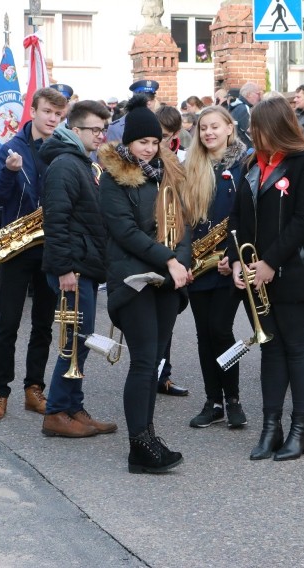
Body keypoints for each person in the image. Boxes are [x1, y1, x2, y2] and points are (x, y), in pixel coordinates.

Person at [228, 97, 304, 461]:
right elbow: (238, 218)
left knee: (298, 347)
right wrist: (237, 261)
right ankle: (270, 428)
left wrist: (271, 261)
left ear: (274, 127)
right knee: (271, 348)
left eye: (256, 128)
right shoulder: (250, 165)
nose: (250, 134)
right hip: (257, 273)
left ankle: (300, 429)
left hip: (296, 272)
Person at [98, 95, 194, 473]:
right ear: (129, 142)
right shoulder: (113, 177)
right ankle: (139, 446)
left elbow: (182, 224)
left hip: (167, 281)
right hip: (134, 279)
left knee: (154, 361)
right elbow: (124, 231)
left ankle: (149, 436)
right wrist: (168, 260)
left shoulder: (169, 174)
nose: (150, 149)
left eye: (155, 143)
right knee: (142, 362)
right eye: (143, 143)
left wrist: (181, 262)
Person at [0, 87, 69, 421]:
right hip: (19, 248)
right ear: (32, 111)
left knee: (44, 325)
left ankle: (34, 389)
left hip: (51, 249)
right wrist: (9, 171)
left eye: (57, 114)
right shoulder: (11, 149)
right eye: (47, 111)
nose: (51, 118)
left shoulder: (64, 151)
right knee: (8, 323)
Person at [39, 100, 118, 438]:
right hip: (72, 270)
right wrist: (65, 269)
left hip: (83, 265)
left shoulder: (81, 162)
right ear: (75, 130)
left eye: (104, 129)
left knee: (81, 340)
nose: (101, 136)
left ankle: (73, 406)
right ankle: (56, 411)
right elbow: (55, 222)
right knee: (73, 341)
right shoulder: (65, 165)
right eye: (94, 130)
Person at [181, 106, 248, 429]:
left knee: (221, 329)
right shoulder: (191, 165)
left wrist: (232, 256)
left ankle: (233, 398)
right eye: (203, 128)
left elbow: (250, 217)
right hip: (199, 262)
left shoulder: (245, 165)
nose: (208, 132)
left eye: (215, 127)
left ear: (229, 128)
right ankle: (213, 401)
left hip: (228, 262)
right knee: (204, 334)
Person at [106, 80, 160, 145]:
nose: (148, 102)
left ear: (154, 101)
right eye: (144, 99)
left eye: (151, 98)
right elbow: (111, 153)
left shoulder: (159, 124)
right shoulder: (116, 128)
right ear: (134, 100)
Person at [229, 82, 263, 149]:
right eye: (258, 94)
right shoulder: (244, 108)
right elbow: (249, 134)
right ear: (249, 94)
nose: (260, 97)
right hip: (245, 150)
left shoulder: (236, 106)